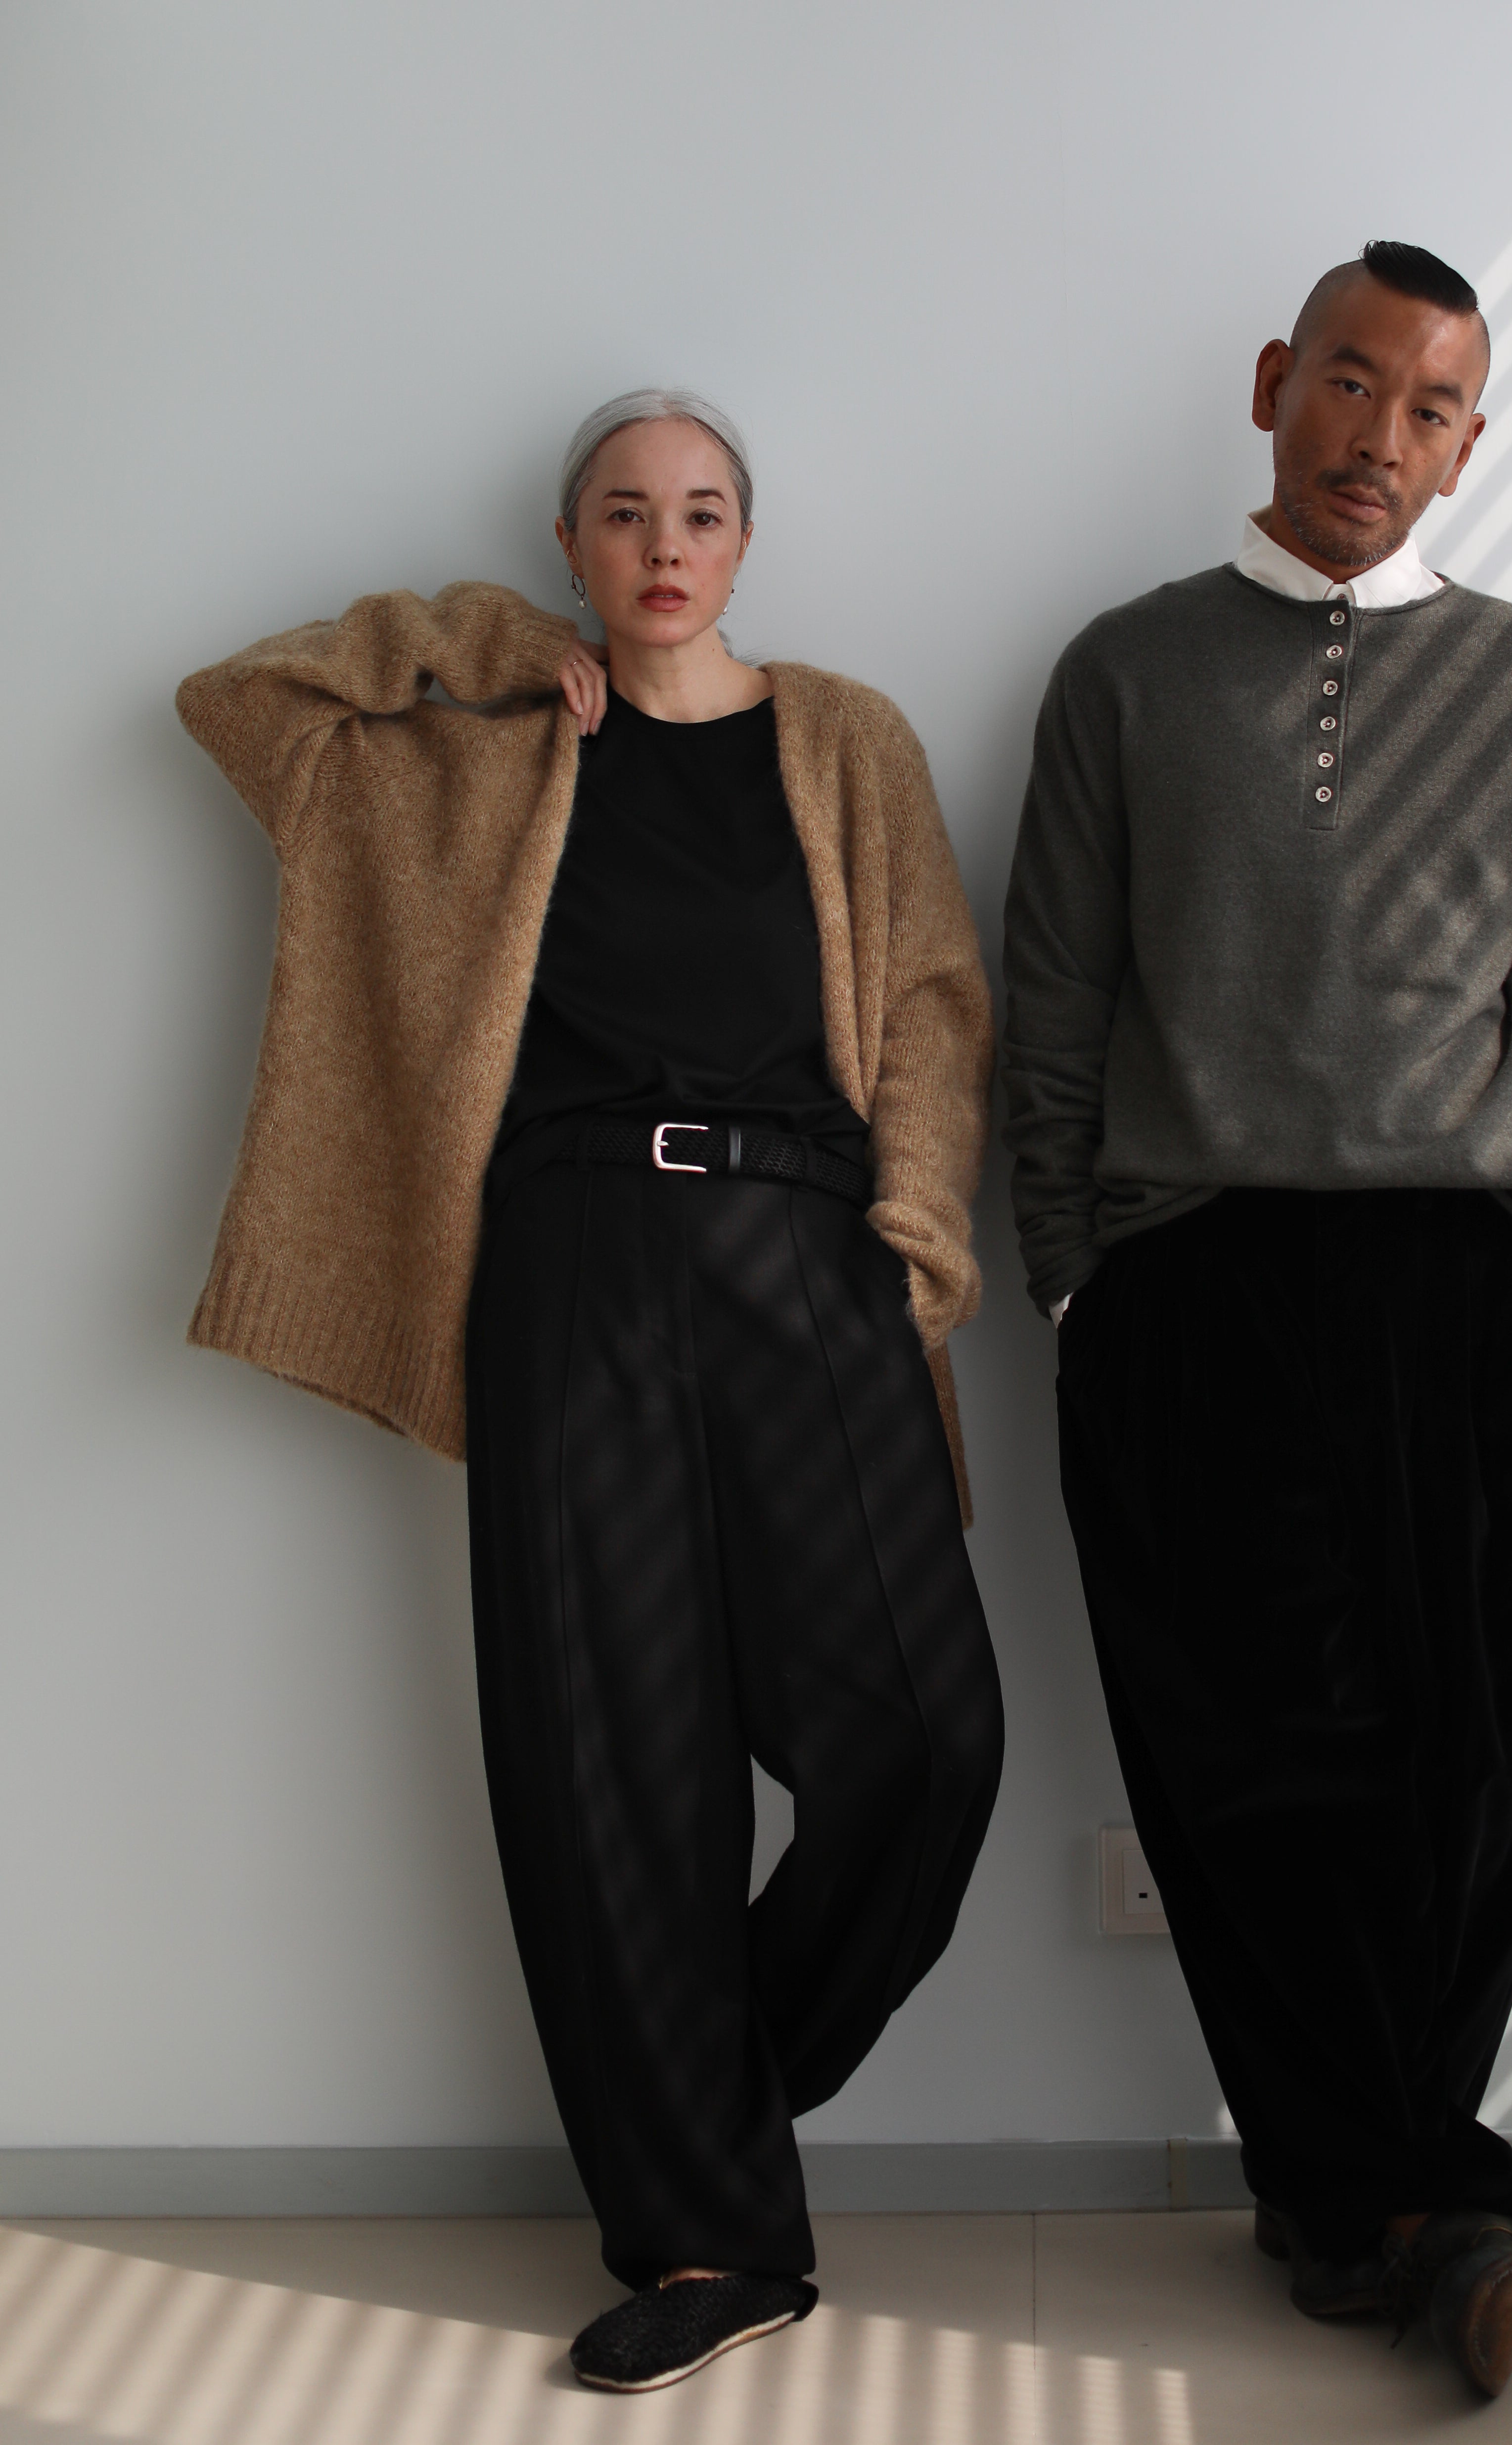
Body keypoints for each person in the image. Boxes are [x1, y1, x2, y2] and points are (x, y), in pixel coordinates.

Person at [176, 389, 1004, 2394]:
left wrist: (912, 1231)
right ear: (569, 545)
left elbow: (926, 1004)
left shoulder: (845, 737)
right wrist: (464, 643)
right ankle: (711, 2240)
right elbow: (237, 704)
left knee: (924, 1735)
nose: (665, 545)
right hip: (565, 1266)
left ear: (744, 543)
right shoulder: (488, 738)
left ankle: (709, 2085)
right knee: (606, 1756)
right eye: (624, 513)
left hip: (804, 1253)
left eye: (701, 512)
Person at [1002, 243, 1512, 2401]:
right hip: (1194, 1280)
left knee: (1476, 1765)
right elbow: (1051, 996)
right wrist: (1072, 1265)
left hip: (1477, 1285)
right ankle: (1420, 2205)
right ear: (1277, 381)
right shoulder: (1124, 671)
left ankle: (1357, 2203)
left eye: (1429, 406)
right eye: (1351, 382)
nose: (1379, 435)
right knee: (1242, 1767)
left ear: (1470, 447)